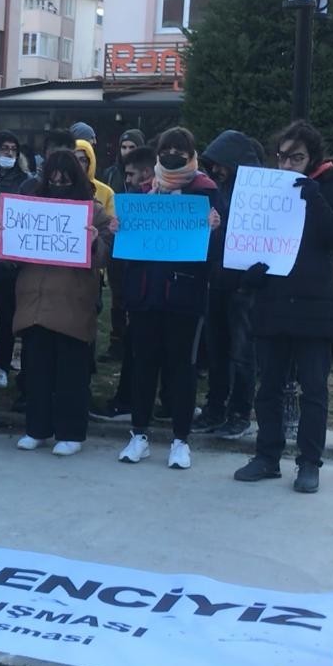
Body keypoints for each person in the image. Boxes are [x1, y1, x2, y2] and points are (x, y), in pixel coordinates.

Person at [235, 121, 333, 494]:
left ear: (313, 158)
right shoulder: (267, 191)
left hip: (315, 308)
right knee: (268, 387)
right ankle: (267, 457)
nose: (288, 164)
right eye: (283, 156)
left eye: (297, 157)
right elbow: (253, 240)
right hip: (274, 305)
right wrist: (251, 274)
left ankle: (309, 463)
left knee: (314, 390)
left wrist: (316, 199)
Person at [119, 127, 223, 470]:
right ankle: (139, 435)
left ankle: (181, 440)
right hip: (146, 296)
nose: (172, 155)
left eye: (180, 149)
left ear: (192, 154)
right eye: (167, 149)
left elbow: (217, 254)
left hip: (185, 297)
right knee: (144, 365)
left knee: (182, 369)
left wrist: (213, 229)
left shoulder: (206, 193)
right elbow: (129, 252)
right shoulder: (145, 193)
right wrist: (121, 230)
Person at [13, 150, 113, 456]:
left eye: (65, 178)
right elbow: (11, 255)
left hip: (72, 302)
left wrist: (95, 241)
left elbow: (107, 254)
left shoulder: (93, 212)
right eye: (53, 178)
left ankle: (71, 432)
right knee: (37, 370)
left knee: (71, 373)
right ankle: (37, 428)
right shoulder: (30, 209)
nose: (58, 183)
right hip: (34, 301)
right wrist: (6, 237)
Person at [194, 130, 263, 439]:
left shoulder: (256, 194)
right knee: (218, 349)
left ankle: (238, 411)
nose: (216, 169)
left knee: (242, 352)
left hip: (244, 286)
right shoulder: (217, 190)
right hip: (218, 280)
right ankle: (215, 407)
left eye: (221, 164)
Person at [90, 145, 157, 421]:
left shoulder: (161, 201)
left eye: (130, 174)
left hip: (153, 291)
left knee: (145, 352)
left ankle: (134, 403)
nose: (126, 180)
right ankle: (128, 399)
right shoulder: (133, 202)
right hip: (136, 289)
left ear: (147, 172)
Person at [0, 130, 31, 390]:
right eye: (4, 148)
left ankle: (0, 365)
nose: (9, 153)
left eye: (13, 149)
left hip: (9, 262)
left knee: (6, 318)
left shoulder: (25, 181)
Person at [101, 129, 146, 361]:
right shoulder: (111, 174)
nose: (127, 151)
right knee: (118, 295)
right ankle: (117, 341)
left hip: (140, 243)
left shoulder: (149, 179)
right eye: (124, 147)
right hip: (117, 241)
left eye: (132, 147)